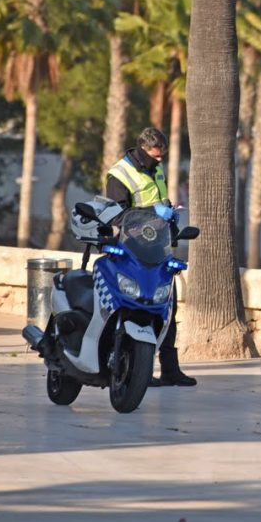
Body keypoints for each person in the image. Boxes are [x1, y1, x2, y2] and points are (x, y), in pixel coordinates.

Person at [105, 126, 196, 387]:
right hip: (131, 249)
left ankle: (170, 369)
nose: (160, 161)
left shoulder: (154, 169)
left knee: (167, 307)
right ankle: (137, 368)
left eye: (162, 157)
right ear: (142, 149)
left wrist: (168, 214)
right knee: (136, 307)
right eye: (156, 156)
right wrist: (152, 212)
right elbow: (116, 215)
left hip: (158, 247)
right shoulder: (119, 175)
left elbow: (160, 200)